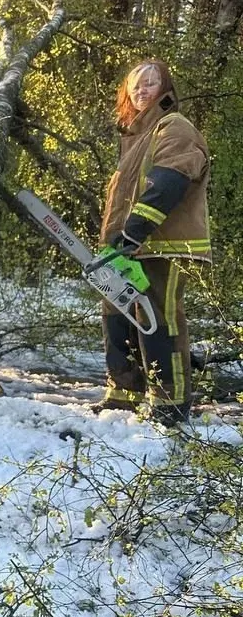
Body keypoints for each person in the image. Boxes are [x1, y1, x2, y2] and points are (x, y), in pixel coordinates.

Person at [91, 60, 211, 427]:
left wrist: (134, 231)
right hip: (125, 247)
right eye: (136, 85)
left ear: (165, 88)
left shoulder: (173, 127)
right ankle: (123, 395)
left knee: (157, 319)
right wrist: (116, 241)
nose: (142, 91)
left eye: (151, 83)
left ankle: (170, 404)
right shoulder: (134, 137)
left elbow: (168, 183)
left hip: (163, 243)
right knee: (116, 316)